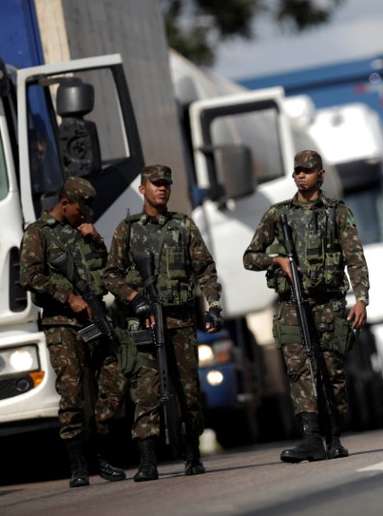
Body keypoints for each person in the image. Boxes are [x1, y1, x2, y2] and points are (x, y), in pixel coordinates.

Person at [243, 149, 369, 463]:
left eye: (308, 170)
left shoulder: (337, 212)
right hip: (291, 306)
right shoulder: (278, 214)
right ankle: (311, 437)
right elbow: (249, 257)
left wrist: (362, 299)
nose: (301, 175)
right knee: (300, 371)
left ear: (320, 175)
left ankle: (334, 434)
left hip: (328, 305)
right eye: (297, 170)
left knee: (331, 372)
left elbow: (355, 258)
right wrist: (278, 260)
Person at [104, 164, 223, 481]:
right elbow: (110, 274)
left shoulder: (183, 225)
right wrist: (133, 297)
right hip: (145, 323)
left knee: (189, 391)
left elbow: (206, 270)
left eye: (166, 184)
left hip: (181, 321)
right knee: (146, 391)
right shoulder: (127, 229)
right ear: (142, 188)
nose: (162, 188)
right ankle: (147, 460)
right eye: (155, 184)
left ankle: (192, 453)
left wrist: (213, 308)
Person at [19, 176, 126, 488]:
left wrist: (96, 239)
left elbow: (107, 270)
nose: (84, 216)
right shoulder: (38, 233)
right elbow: (30, 276)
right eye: (80, 210)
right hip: (63, 324)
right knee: (73, 392)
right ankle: (79, 464)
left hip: (96, 319)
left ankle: (103, 449)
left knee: (112, 379)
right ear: (64, 203)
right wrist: (68, 297)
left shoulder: (84, 230)